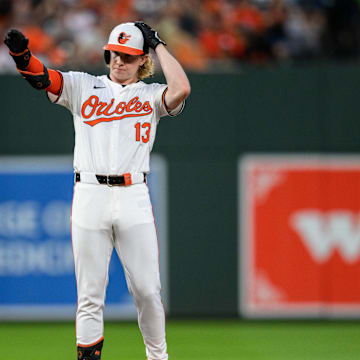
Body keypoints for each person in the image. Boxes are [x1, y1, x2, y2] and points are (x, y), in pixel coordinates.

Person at [4, 21, 190, 360]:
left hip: (134, 195)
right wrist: (21, 56)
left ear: (142, 61)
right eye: (114, 54)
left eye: (128, 56)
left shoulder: (150, 95)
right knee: (90, 293)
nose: (119, 61)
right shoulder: (83, 85)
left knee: (148, 291)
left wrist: (158, 44)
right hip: (90, 193)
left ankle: (158, 356)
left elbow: (181, 89)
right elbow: (42, 77)